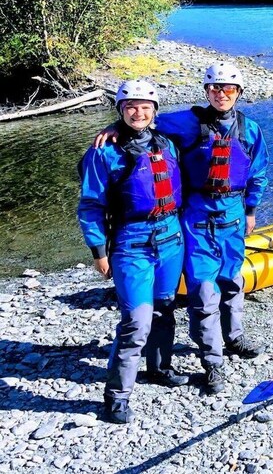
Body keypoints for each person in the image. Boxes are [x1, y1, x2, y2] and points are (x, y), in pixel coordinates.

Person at [95, 62, 269, 394]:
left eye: (228, 88)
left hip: (233, 214)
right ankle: (213, 363)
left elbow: (258, 172)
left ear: (239, 93)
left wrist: (251, 210)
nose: (221, 94)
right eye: (215, 88)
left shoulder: (251, 130)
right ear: (206, 91)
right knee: (203, 294)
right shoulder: (185, 123)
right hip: (197, 217)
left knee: (233, 280)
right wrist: (114, 127)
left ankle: (234, 338)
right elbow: (143, 121)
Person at [78, 80, 187, 424]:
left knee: (164, 307)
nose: (138, 113)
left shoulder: (168, 143)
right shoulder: (103, 152)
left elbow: (203, 121)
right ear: (120, 111)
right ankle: (117, 395)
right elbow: (91, 204)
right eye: (130, 107)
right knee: (135, 321)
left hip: (171, 237)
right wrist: (98, 251)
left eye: (145, 107)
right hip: (131, 243)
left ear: (154, 111)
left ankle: (159, 368)